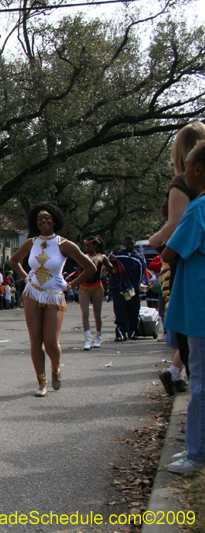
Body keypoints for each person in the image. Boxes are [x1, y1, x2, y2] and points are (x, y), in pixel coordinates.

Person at [9, 203, 95, 397]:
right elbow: (14, 260)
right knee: (35, 340)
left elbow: (90, 267)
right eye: (40, 218)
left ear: (55, 220)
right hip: (32, 293)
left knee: (50, 341)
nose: (44, 221)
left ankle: (55, 367)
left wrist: (71, 285)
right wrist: (25, 278)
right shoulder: (30, 243)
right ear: (36, 223)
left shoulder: (65, 244)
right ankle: (42, 382)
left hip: (55, 294)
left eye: (47, 217)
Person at [161, 140, 205, 474]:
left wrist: (162, 243)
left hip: (199, 308)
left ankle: (197, 453)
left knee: (199, 381)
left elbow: (170, 251)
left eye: (187, 165)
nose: (183, 171)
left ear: (199, 169)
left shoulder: (198, 207)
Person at [151, 122, 205, 396]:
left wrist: (154, 241)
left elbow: (175, 226)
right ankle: (177, 372)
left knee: (187, 330)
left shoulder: (182, 184)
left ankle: (180, 375)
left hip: (185, 265)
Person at [73, 236, 112, 350]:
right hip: (84, 286)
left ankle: (98, 337)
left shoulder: (102, 257)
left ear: (95, 246)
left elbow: (111, 269)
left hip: (97, 286)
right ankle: (88, 339)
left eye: (89, 245)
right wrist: (70, 278)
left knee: (97, 314)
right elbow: (79, 270)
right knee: (85, 313)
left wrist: (113, 262)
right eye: (85, 246)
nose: (86, 248)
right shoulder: (84, 257)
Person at [108, 235, 147, 342]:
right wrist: (113, 252)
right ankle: (121, 332)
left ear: (134, 244)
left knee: (133, 310)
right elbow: (107, 261)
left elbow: (141, 274)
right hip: (119, 288)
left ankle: (133, 331)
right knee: (120, 311)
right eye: (127, 244)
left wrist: (138, 288)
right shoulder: (119, 255)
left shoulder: (138, 258)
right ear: (124, 244)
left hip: (132, 289)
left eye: (131, 244)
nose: (129, 246)